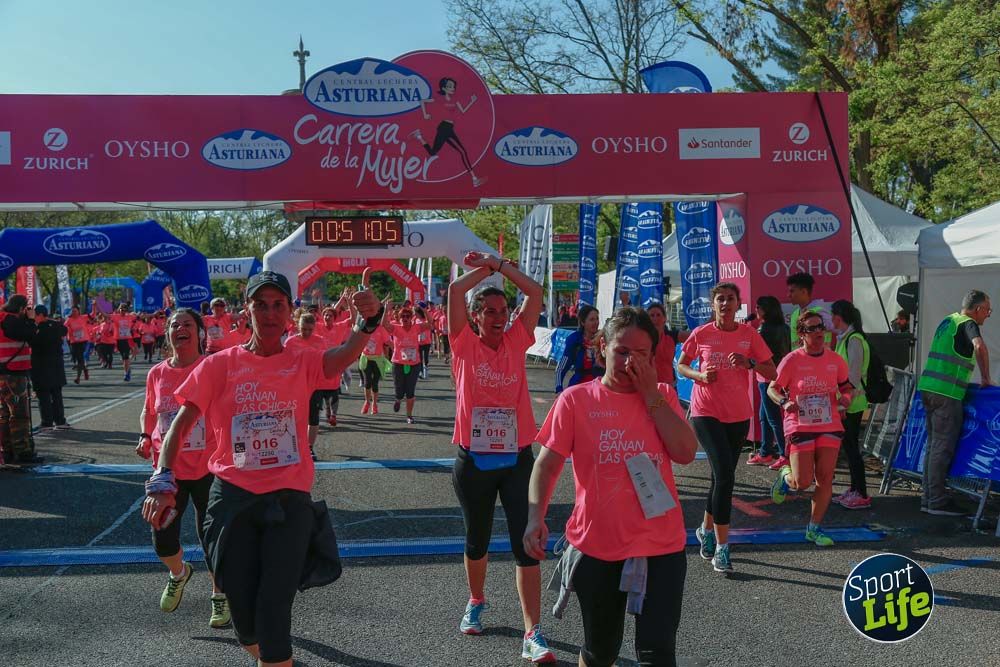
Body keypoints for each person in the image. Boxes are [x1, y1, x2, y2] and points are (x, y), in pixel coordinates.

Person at [141, 269, 383, 667]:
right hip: (232, 499)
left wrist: (366, 322)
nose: (269, 313)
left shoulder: (301, 358)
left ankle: (274, 657)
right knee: (246, 622)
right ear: (246, 312)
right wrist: (162, 478)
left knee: (274, 615)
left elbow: (341, 358)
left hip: (288, 501)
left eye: (278, 305)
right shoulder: (219, 365)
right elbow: (179, 425)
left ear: (289, 311)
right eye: (260, 305)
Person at [525, 307, 698, 667]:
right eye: (622, 351)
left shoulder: (663, 394)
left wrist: (651, 395)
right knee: (600, 650)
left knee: (658, 654)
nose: (630, 362)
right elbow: (547, 463)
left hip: (661, 546)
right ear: (601, 346)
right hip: (598, 546)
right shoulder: (575, 400)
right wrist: (534, 518)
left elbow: (684, 452)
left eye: (642, 355)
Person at [446, 251, 555, 662]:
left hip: (516, 460)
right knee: (477, 541)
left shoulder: (517, 339)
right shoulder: (462, 343)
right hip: (473, 460)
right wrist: (486, 270)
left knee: (526, 542)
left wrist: (501, 265)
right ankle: (476, 600)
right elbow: (457, 289)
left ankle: (533, 632)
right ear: (475, 316)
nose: (497, 316)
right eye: (488, 311)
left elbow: (536, 291)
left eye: (502, 310)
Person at [136, 308, 230, 628]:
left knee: (213, 538)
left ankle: (219, 596)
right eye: (175, 325)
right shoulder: (157, 374)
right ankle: (179, 572)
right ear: (168, 335)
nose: (180, 329)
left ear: (200, 333)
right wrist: (146, 435)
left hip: (209, 467)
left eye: (188, 324)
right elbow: (149, 412)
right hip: (169, 470)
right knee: (162, 539)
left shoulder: (212, 367)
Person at [677, 282, 776, 573]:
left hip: (738, 415)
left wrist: (750, 362)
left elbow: (772, 371)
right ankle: (722, 546)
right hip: (705, 411)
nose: (725, 304)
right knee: (724, 475)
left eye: (730, 299)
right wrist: (698, 374)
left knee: (721, 478)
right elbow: (681, 365)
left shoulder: (748, 335)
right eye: (720, 299)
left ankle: (706, 530)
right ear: (713, 305)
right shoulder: (702, 333)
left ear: (738, 304)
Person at [768, 311, 854, 546]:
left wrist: (846, 399)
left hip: (829, 423)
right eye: (811, 329)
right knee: (802, 482)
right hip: (799, 423)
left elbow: (847, 387)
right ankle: (786, 478)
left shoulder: (835, 360)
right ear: (801, 334)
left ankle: (813, 529)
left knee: (825, 478)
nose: (818, 332)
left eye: (820, 327)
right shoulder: (792, 360)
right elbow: (772, 389)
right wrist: (785, 402)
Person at [916, 290, 993, 516]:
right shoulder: (968, 324)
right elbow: (979, 346)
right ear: (977, 309)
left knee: (932, 446)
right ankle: (937, 501)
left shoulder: (948, 320)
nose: (988, 315)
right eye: (987, 310)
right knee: (942, 447)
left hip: (929, 389)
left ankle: (928, 498)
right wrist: (986, 377)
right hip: (947, 394)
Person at [830, 300, 873, 510]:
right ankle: (855, 488)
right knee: (848, 448)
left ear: (839, 317)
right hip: (849, 402)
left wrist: (844, 405)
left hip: (853, 403)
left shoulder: (854, 340)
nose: (830, 321)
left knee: (852, 448)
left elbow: (854, 376)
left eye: (832, 316)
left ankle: (862, 493)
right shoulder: (846, 338)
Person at [284, 311, 340, 460]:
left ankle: (309, 448)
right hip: (295, 385)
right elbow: (284, 363)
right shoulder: (290, 342)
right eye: (304, 329)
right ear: (298, 326)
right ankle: (292, 446)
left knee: (313, 417)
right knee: (294, 418)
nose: (307, 332)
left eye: (310, 329)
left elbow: (323, 361)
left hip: (314, 385)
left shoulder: (320, 341)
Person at [412, 77, 485, 187]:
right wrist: (425, 114)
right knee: (462, 151)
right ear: (443, 88)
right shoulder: (438, 98)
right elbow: (422, 101)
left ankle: (419, 137)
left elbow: (463, 110)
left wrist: (472, 101)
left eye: (453, 87)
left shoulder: (454, 99)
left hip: (449, 127)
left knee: (433, 152)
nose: (453, 88)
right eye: (450, 86)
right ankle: (474, 179)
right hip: (444, 128)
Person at [746, 296, 791, 468]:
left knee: (772, 417)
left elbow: (753, 353)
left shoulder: (762, 330)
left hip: (766, 377)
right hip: (780, 375)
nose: (755, 310)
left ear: (765, 310)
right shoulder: (785, 328)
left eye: (758, 307)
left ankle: (784, 454)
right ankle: (765, 452)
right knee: (764, 416)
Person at [0, 295, 39, 465]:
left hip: (3, 373)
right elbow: (29, 335)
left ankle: (7, 451)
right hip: (13, 374)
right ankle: (23, 452)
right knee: (20, 415)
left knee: (4, 414)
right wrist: (31, 321)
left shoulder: (3, 318)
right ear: (22, 308)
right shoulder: (11, 321)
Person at [381, 304, 432, 425]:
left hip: (414, 364)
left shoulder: (417, 328)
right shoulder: (396, 328)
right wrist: (386, 309)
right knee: (399, 390)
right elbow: (384, 324)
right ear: (399, 318)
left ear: (411, 317)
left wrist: (425, 310)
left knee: (410, 391)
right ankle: (398, 399)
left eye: (407, 316)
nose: (405, 318)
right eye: (402, 316)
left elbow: (430, 323)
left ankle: (409, 416)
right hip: (398, 363)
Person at [30, 306, 69, 433]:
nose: (33, 317)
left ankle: (46, 422)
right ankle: (60, 421)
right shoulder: (56, 325)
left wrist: (31, 322)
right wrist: (51, 320)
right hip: (56, 364)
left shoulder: (36, 328)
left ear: (40, 315)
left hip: (41, 365)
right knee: (56, 394)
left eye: (35, 314)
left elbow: (30, 340)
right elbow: (65, 330)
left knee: (43, 395)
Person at [555, 305, 603, 393]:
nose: (596, 322)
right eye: (592, 319)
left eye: (597, 319)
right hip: (578, 389)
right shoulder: (574, 340)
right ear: (582, 322)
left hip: (599, 389)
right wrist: (559, 389)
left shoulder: (604, 339)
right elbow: (561, 369)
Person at [646, 302, 689, 386]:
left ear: (664, 319)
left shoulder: (671, 336)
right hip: (647, 387)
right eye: (652, 315)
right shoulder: (640, 338)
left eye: (658, 315)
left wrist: (713, 318)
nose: (655, 318)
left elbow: (696, 334)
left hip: (669, 387)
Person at [359, 305, 391, 415]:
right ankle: (367, 401)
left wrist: (396, 352)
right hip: (366, 358)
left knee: (375, 383)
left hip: (377, 359)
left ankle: (375, 404)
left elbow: (389, 343)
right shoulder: (362, 327)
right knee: (367, 382)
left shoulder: (380, 329)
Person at [786, 272, 832, 348]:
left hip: (819, 358)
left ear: (804, 291)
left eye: (792, 291)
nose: (788, 295)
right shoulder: (795, 314)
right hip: (799, 358)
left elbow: (840, 331)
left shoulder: (819, 312)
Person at [64, 305, 91, 384]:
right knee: (76, 358)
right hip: (74, 342)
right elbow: (63, 327)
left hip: (83, 341)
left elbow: (92, 315)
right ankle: (85, 369)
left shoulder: (83, 317)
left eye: (75, 311)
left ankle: (78, 378)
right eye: (72, 311)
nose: (74, 312)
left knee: (80, 359)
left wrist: (94, 305)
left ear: (79, 311)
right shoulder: (69, 320)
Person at [112, 303, 136, 381]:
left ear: (126, 310)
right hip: (119, 340)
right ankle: (128, 369)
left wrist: (153, 314)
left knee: (126, 356)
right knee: (123, 357)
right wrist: (96, 305)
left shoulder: (129, 317)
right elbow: (104, 314)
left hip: (127, 339)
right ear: (119, 309)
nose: (122, 311)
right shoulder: (115, 317)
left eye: (124, 309)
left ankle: (126, 374)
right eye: (121, 309)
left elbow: (142, 316)